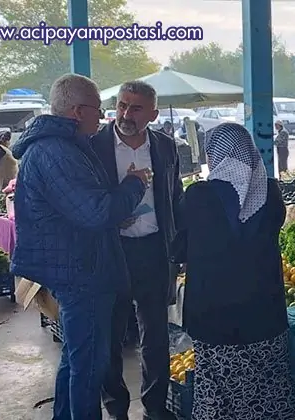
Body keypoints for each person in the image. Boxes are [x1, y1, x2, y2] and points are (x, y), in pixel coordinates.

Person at [10, 73, 150, 419]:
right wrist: (134, 185)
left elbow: (78, 208)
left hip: (78, 263)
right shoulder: (55, 151)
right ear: (77, 111)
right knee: (89, 367)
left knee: (76, 357)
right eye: (99, 109)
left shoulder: (66, 146)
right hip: (80, 270)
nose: (103, 117)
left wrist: (111, 213)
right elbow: (94, 211)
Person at [173, 123, 295, 420]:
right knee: (269, 389)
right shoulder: (270, 194)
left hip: (214, 317)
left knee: (217, 393)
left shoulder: (199, 195)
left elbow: (177, 250)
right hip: (265, 313)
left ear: (216, 156)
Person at [91, 81, 182, 420]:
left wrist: (181, 242)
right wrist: (110, 220)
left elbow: (174, 197)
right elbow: (86, 200)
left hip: (154, 252)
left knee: (156, 337)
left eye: (136, 108)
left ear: (153, 114)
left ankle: (155, 408)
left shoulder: (165, 146)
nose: (126, 113)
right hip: (112, 251)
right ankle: (116, 408)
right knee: (111, 337)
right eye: (122, 105)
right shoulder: (93, 145)